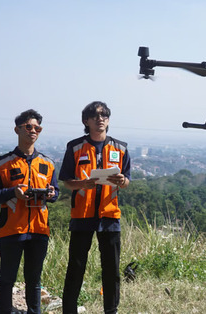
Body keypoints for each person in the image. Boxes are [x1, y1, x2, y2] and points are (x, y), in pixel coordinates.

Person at [0, 109, 58, 314]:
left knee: (34, 279)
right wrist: (13, 192)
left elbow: (56, 192)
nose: (33, 130)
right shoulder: (3, 162)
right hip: (11, 228)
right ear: (17, 129)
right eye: (28, 127)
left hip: (39, 229)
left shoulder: (48, 163)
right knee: (7, 278)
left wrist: (52, 194)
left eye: (37, 128)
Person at [59, 101, 131, 314]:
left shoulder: (121, 147)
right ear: (86, 121)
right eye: (95, 115)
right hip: (82, 215)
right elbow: (67, 181)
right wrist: (83, 184)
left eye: (104, 115)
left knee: (112, 270)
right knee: (76, 267)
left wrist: (121, 181)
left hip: (109, 215)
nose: (100, 119)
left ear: (108, 120)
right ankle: (69, 310)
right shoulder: (74, 147)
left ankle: (111, 310)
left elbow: (127, 181)